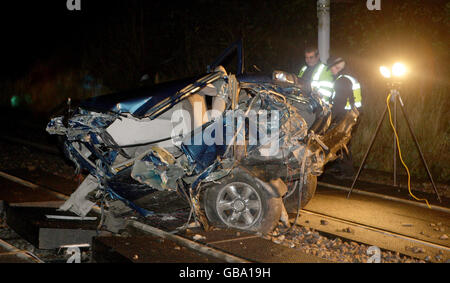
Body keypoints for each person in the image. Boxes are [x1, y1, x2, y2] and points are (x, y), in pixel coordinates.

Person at [326, 56, 362, 178]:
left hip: (344, 116)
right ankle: (343, 169)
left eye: (331, 69)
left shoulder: (342, 80)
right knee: (344, 142)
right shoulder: (350, 77)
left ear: (336, 67)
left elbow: (339, 103)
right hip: (352, 115)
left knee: (341, 142)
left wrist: (330, 118)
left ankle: (347, 171)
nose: (331, 71)